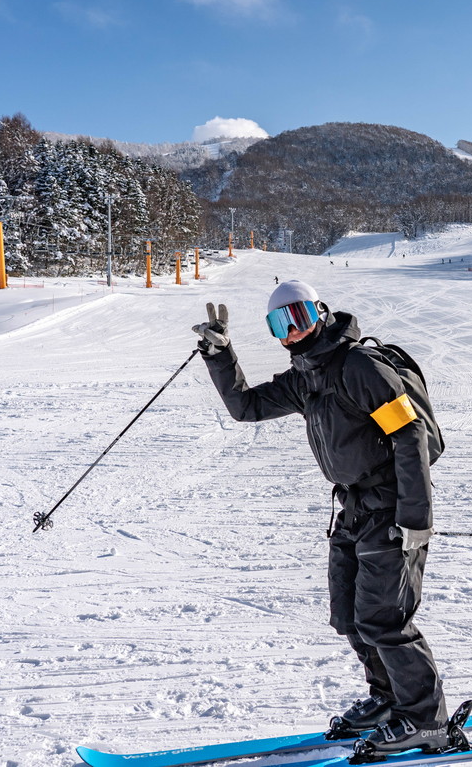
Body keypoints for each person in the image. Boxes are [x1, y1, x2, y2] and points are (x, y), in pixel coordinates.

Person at [192, 280, 449, 755]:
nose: (292, 331)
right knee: (350, 616)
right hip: (351, 509)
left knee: (384, 618)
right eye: (279, 324)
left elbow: (411, 437)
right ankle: (388, 699)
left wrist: (415, 518)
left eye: (299, 316)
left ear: (320, 312)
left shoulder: (360, 367)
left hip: (391, 508)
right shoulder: (305, 376)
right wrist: (220, 356)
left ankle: (425, 719)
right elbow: (246, 406)